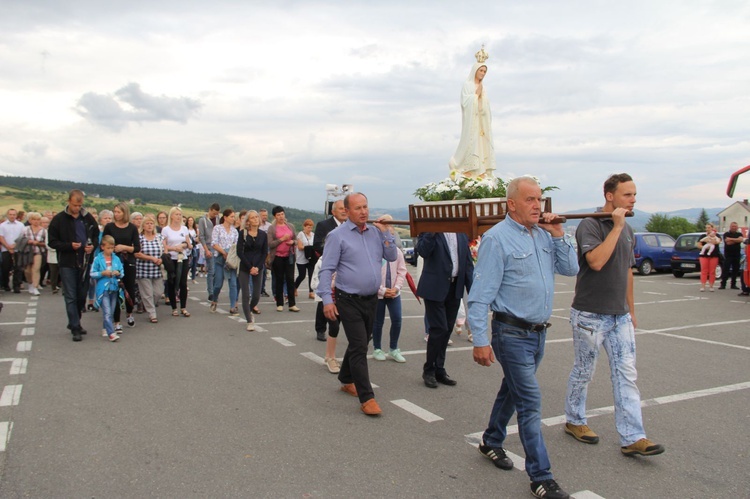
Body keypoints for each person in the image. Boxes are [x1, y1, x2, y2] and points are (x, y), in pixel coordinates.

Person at [467, 176, 578, 499]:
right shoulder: (497, 239)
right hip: (510, 333)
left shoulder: (544, 236)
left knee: (513, 392)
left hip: (538, 333)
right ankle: (541, 477)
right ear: (511, 204)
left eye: (539, 200)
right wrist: (480, 340)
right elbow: (480, 294)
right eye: (530, 200)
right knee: (530, 401)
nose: (537, 206)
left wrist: (559, 235)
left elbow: (571, 269)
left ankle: (491, 440)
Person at [564, 173, 665, 459]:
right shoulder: (590, 225)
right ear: (610, 196)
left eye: (634, 195)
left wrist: (631, 309)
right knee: (584, 371)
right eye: (627, 195)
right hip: (590, 314)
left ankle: (633, 436)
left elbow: (627, 271)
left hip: (619, 316)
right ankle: (575, 420)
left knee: (626, 375)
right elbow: (595, 262)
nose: (633, 200)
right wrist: (617, 227)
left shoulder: (628, 230)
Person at [317, 192, 398, 416]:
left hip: (371, 299)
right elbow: (327, 270)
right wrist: (326, 300)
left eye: (365, 207)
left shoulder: (374, 232)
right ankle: (367, 397)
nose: (363, 212)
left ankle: (345, 378)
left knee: (360, 342)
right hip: (347, 299)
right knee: (360, 345)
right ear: (347, 211)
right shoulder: (337, 236)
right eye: (357, 208)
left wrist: (386, 233)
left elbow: (391, 256)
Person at [417, 229, 473, 388]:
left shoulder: (461, 233)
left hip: (455, 288)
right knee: (438, 329)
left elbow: (467, 263)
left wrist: (473, 292)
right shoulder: (429, 232)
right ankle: (428, 369)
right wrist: (431, 232)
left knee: (447, 329)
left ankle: (439, 369)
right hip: (434, 287)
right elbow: (423, 251)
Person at [48, 190, 99, 341]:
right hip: (67, 262)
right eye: (75, 205)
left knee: (81, 295)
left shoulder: (87, 218)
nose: (77, 208)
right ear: (69, 201)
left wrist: (93, 246)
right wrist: (69, 245)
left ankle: (74, 321)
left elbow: (96, 235)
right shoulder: (59, 219)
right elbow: (52, 242)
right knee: (70, 295)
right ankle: (75, 327)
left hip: (84, 261)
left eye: (80, 205)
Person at [448, 46, 495, 179]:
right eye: (481, 70)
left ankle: (481, 170)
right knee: (472, 143)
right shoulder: (467, 85)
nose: (483, 73)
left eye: (485, 71)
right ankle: (468, 168)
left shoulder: (483, 87)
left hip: (481, 122)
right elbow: (465, 102)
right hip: (471, 123)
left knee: (481, 145)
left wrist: (482, 100)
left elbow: (486, 107)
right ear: (475, 70)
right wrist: (475, 96)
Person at [372, 216, 408, 363]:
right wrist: (381, 290)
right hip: (379, 293)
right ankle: (377, 348)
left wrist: (397, 288)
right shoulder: (375, 251)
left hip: (394, 293)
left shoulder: (397, 252)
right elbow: (371, 274)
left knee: (397, 319)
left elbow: (402, 271)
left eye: (391, 233)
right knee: (378, 321)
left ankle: (394, 348)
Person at [312, 200, 347, 341]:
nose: (344, 211)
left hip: (344, 267)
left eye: (346, 208)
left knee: (342, 299)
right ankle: (320, 329)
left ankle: (336, 327)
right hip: (328, 265)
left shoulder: (350, 226)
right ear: (333, 212)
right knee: (324, 299)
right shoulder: (324, 225)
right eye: (341, 209)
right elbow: (317, 244)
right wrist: (332, 255)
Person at [103, 202, 140, 331]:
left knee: (129, 289)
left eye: (119, 212)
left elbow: (137, 248)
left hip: (128, 261)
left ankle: (129, 313)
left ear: (125, 213)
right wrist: (113, 249)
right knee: (115, 290)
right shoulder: (109, 227)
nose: (116, 214)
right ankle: (116, 321)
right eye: (115, 212)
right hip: (113, 261)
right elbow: (103, 244)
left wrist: (124, 247)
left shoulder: (132, 228)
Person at [310, 247, 341, 373]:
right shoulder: (321, 262)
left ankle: (330, 356)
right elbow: (314, 283)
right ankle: (330, 357)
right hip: (328, 298)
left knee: (340, 326)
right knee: (334, 325)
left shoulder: (343, 261)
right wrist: (329, 284)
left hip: (343, 298)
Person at [237, 210, 268, 331]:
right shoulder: (243, 233)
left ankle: (249, 310)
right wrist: (250, 267)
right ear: (248, 221)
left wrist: (257, 267)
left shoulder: (263, 235)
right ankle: (249, 320)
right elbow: (240, 252)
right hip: (245, 267)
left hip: (258, 267)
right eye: (253, 218)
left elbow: (264, 252)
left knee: (256, 295)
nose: (255, 219)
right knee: (245, 294)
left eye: (257, 217)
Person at [90, 235, 123, 342]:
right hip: (103, 288)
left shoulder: (116, 258)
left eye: (112, 248)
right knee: (107, 311)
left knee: (111, 311)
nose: (110, 250)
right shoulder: (97, 259)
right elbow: (92, 273)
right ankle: (111, 333)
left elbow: (122, 271)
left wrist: (118, 273)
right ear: (102, 247)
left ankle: (105, 328)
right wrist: (102, 273)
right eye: (108, 248)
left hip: (114, 287)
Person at [267, 206, 299, 312]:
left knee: (290, 279)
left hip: (289, 255)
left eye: (282, 214)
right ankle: (279, 303)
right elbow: (270, 244)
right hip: (277, 256)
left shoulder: (290, 226)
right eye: (278, 215)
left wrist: (292, 242)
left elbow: (295, 239)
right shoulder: (272, 228)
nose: (281, 216)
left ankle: (292, 303)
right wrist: (282, 239)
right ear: (275, 216)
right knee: (279, 279)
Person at [135, 214, 164, 323]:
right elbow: (137, 253)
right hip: (143, 269)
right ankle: (152, 314)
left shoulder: (159, 237)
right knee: (147, 292)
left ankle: (148, 304)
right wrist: (151, 258)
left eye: (151, 223)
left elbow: (164, 251)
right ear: (143, 225)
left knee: (158, 292)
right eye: (147, 223)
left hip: (157, 269)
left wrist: (161, 259)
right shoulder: (139, 238)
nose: (149, 225)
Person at [211, 209, 239, 314]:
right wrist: (223, 252)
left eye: (234, 217)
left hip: (230, 260)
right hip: (219, 258)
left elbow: (236, 245)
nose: (233, 219)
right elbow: (214, 243)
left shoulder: (235, 231)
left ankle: (232, 306)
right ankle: (214, 299)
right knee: (218, 283)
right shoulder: (217, 228)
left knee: (233, 283)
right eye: (231, 216)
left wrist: (230, 255)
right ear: (225, 217)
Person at [0, 208, 27, 293]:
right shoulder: (2, 225)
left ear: (16, 215)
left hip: (17, 249)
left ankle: (16, 286)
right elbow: (1, 237)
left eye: (14, 214)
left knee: (18, 268)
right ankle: (6, 284)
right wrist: (8, 247)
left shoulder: (21, 225)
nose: (12, 216)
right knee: (5, 268)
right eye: (10, 214)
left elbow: (22, 237)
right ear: (7, 215)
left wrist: (15, 245)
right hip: (5, 249)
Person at [198, 203, 220, 301]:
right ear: (210, 210)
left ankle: (215, 290)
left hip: (218, 247)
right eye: (213, 213)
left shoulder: (218, 219)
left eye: (216, 214)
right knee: (211, 270)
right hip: (209, 246)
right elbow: (201, 236)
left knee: (217, 271)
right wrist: (206, 249)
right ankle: (211, 292)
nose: (214, 216)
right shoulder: (203, 220)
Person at [22, 212, 47, 296]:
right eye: (34, 219)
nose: (36, 221)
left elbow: (46, 243)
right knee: (27, 270)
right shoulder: (25, 229)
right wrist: (28, 241)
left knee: (36, 269)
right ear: (30, 220)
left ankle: (35, 287)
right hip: (27, 252)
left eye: (38, 219)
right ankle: (30, 283)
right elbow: (20, 240)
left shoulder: (43, 231)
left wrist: (38, 243)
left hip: (38, 252)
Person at [697, 222, 722, 292]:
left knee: (712, 271)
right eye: (706, 228)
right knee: (704, 270)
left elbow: (718, 241)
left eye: (709, 228)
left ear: (712, 228)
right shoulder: (703, 236)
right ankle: (703, 286)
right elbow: (698, 245)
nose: (707, 229)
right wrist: (704, 247)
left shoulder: (716, 235)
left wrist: (711, 239)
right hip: (703, 255)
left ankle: (711, 286)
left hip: (714, 255)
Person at [294, 219, 315, 299]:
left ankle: (311, 292)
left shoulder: (313, 235)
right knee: (302, 275)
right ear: (304, 227)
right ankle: (295, 287)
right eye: (308, 227)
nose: (309, 229)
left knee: (311, 274)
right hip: (301, 258)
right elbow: (300, 247)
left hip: (310, 258)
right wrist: (309, 248)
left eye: (311, 227)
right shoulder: (300, 234)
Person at [719, 221, 743, 290]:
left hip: (737, 255)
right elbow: (728, 242)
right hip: (728, 255)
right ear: (730, 227)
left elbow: (740, 240)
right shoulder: (726, 234)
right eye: (733, 226)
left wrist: (731, 239)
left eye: (735, 226)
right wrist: (736, 240)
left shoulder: (739, 233)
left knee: (735, 270)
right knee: (726, 269)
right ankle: (723, 284)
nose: (734, 228)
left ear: (737, 227)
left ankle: (733, 284)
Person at [258, 208, 272, 297]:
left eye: (266, 215)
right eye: (263, 215)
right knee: (260, 270)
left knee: (264, 270)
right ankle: (257, 289)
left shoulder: (269, 226)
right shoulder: (257, 226)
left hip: (267, 249)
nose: (265, 217)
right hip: (258, 249)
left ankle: (262, 289)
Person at [186, 216, 199, 283]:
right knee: (188, 263)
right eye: (189, 220)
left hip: (195, 247)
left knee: (194, 263)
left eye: (191, 220)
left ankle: (193, 278)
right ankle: (186, 276)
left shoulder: (195, 230)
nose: (190, 222)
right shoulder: (186, 229)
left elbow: (198, 238)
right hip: (188, 248)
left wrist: (197, 239)